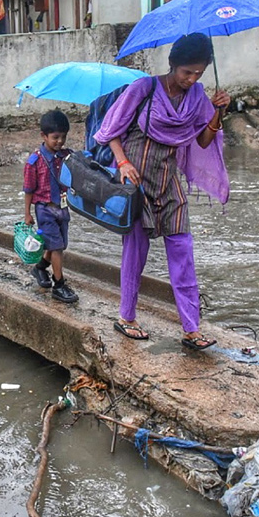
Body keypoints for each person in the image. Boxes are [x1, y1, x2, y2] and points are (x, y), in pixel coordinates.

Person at [92, 32, 231, 349]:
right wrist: (123, 162)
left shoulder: (197, 97)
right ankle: (126, 318)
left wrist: (218, 111)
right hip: (136, 183)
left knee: (183, 254)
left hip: (170, 185)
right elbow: (111, 131)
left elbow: (203, 141)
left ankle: (191, 329)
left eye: (199, 73)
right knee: (135, 253)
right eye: (187, 72)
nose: (192, 79)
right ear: (173, 65)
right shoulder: (144, 89)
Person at [23, 109, 79, 304]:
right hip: (45, 208)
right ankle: (59, 284)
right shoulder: (35, 160)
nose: (60, 141)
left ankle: (40, 268)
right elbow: (29, 189)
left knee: (59, 242)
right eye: (55, 137)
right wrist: (27, 214)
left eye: (63, 137)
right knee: (57, 247)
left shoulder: (67, 156)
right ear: (43, 136)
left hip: (62, 207)